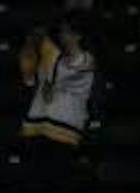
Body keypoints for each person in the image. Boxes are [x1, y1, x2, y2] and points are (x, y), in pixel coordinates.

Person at [18, 19, 95, 180]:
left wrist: (44, 42)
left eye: (66, 32)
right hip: (37, 128)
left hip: (64, 131)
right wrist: (30, 47)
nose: (62, 35)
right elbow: (29, 80)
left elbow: (59, 72)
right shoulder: (49, 58)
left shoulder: (86, 61)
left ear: (78, 36)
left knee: (57, 181)